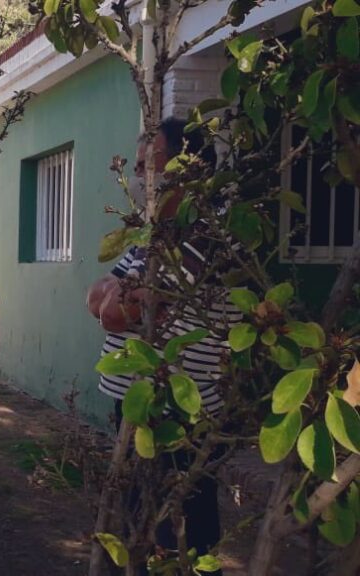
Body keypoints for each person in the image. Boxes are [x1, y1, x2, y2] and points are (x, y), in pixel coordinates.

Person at [86, 118, 236, 563]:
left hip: (179, 409)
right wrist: (125, 296)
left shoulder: (204, 240)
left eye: (149, 168)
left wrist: (120, 298)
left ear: (188, 170)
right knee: (136, 521)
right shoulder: (148, 241)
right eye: (136, 169)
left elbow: (112, 310)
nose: (138, 181)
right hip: (136, 402)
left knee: (189, 530)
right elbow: (97, 297)